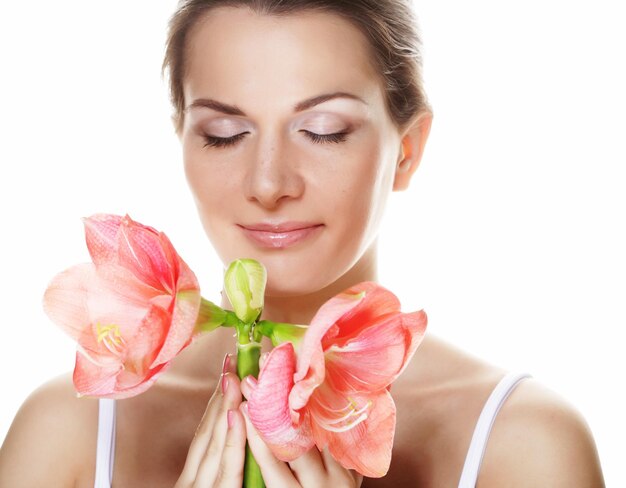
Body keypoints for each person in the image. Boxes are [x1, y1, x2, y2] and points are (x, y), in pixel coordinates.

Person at [0, 1, 605, 486]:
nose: (268, 184)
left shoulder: (524, 444)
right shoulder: (68, 433)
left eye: (324, 131)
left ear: (409, 150)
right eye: (222, 135)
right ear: (183, 137)